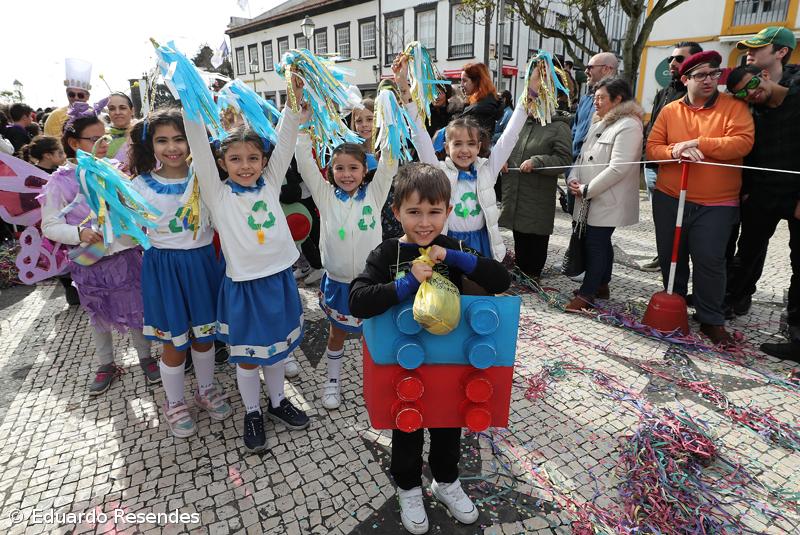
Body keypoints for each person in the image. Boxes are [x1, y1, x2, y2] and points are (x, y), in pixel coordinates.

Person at [349, 162, 510, 535]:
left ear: (448, 211)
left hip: (449, 362)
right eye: (414, 212)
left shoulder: (451, 246)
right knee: (407, 428)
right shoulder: (387, 253)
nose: (425, 222)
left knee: (448, 423)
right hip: (404, 367)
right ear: (396, 212)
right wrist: (406, 283)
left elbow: (499, 279)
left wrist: (454, 257)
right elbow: (357, 300)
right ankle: (408, 487)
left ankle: (446, 480)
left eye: (435, 212)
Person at [183, 75, 310, 453]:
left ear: (263, 161)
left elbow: (286, 141)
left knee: (277, 350)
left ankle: (276, 402)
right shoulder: (218, 194)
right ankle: (252, 411)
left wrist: (293, 100)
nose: (244, 165)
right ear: (222, 162)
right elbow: (198, 148)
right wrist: (190, 98)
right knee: (249, 358)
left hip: (279, 281)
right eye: (235, 159)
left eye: (252, 158)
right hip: (243, 286)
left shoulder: (270, 184)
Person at [39, 101, 160, 395]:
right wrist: (79, 232)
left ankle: (146, 357)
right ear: (72, 142)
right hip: (90, 261)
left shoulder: (116, 171)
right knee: (98, 313)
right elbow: (50, 225)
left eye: (104, 137)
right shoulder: (61, 181)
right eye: (95, 139)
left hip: (125, 254)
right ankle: (107, 363)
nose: (103, 143)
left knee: (136, 310)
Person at [127, 109, 230, 438]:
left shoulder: (207, 177)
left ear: (192, 140)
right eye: (162, 140)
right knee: (174, 344)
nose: (171, 147)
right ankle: (174, 402)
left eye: (179, 138)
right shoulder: (139, 185)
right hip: (164, 270)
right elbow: (125, 230)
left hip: (202, 265)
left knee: (204, 337)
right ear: (150, 144)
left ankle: (205, 389)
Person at [646, 51, 754, 346]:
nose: (710, 80)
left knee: (710, 260)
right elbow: (653, 147)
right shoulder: (670, 110)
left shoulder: (734, 107)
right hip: (670, 197)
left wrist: (697, 144)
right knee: (671, 256)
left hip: (717, 202)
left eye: (714, 74)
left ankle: (710, 319)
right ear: (685, 79)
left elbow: (742, 142)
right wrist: (675, 151)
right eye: (701, 75)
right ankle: (674, 307)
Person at [295, 123, 398, 410]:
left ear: (365, 171)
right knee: (336, 332)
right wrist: (304, 129)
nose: (346, 174)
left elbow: (390, 163)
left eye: (353, 168)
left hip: (371, 282)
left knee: (375, 333)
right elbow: (305, 165)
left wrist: (390, 120)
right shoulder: (326, 196)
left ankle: (378, 380)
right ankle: (333, 380)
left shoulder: (374, 195)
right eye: (339, 168)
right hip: (339, 282)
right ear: (331, 171)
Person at [403, 57, 536, 261]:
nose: (464, 150)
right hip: (447, 245)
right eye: (457, 144)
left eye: (471, 144)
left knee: (479, 290)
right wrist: (406, 92)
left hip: (481, 245)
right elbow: (420, 137)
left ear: (479, 146)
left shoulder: (487, 170)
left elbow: (509, 136)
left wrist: (530, 92)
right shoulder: (439, 172)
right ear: (447, 147)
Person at [724, 66, 800, 361]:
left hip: (796, 196)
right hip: (762, 195)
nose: (750, 94)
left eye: (752, 85)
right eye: (742, 92)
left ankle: (796, 331)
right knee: (747, 252)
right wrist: (746, 189)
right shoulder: (751, 111)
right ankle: (727, 304)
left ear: (765, 75)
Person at [564, 78, 643, 311]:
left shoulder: (629, 125)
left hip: (607, 198)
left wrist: (588, 189)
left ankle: (588, 294)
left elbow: (619, 167)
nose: (595, 102)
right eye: (595, 97)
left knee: (596, 244)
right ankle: (601, 285)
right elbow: (581, 156)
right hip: (588, 195)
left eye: (601, 98)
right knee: (599, 242)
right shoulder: (600, 122)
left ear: (617, 99)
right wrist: (573, 179)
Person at [640, 42, 703, 271]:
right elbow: (653, 125)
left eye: (678, 59)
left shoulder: (693, 96)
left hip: (677, 169)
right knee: (663, 221)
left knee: (680, 221)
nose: (672, 63)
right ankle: (663, 255)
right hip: (653, 165)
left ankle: (679, 263)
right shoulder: (664, 92)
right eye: (670, 59)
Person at [500, 103, 572, 282]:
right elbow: (506, 143)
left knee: (535, 236)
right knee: (519, 233)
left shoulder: (558, 126)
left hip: (538, 196)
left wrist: (538, 162)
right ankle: (520, 271)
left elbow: (564, 160)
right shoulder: (520, 123)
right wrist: (503, 158)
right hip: (516, 191)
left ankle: (533, 275)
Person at [572, 52, 618, 162]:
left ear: (606, 69)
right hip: (574, 166)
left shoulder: (618, 102)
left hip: (595, 168)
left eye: (590, 67)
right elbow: (574, 131)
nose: (586, 71)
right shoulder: (585, 99)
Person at [44, 58, 92, 137]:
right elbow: (51, 145)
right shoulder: (55, 116)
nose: (76, 98)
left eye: (80, 95)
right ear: (67, 94)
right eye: (72, 94)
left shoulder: (93, 115)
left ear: (87, 96)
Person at [458, 63, 502, 136]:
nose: (461, 85)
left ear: (476, 82)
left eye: (464, 81)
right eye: (461, 81)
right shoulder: (483, 101)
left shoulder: (481, 108)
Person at [106, 92, 134, 163]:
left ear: (132, 111)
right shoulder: (103, 137)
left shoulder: (141, 134)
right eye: (112, 109)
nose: (117, 112)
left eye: (122, 108)